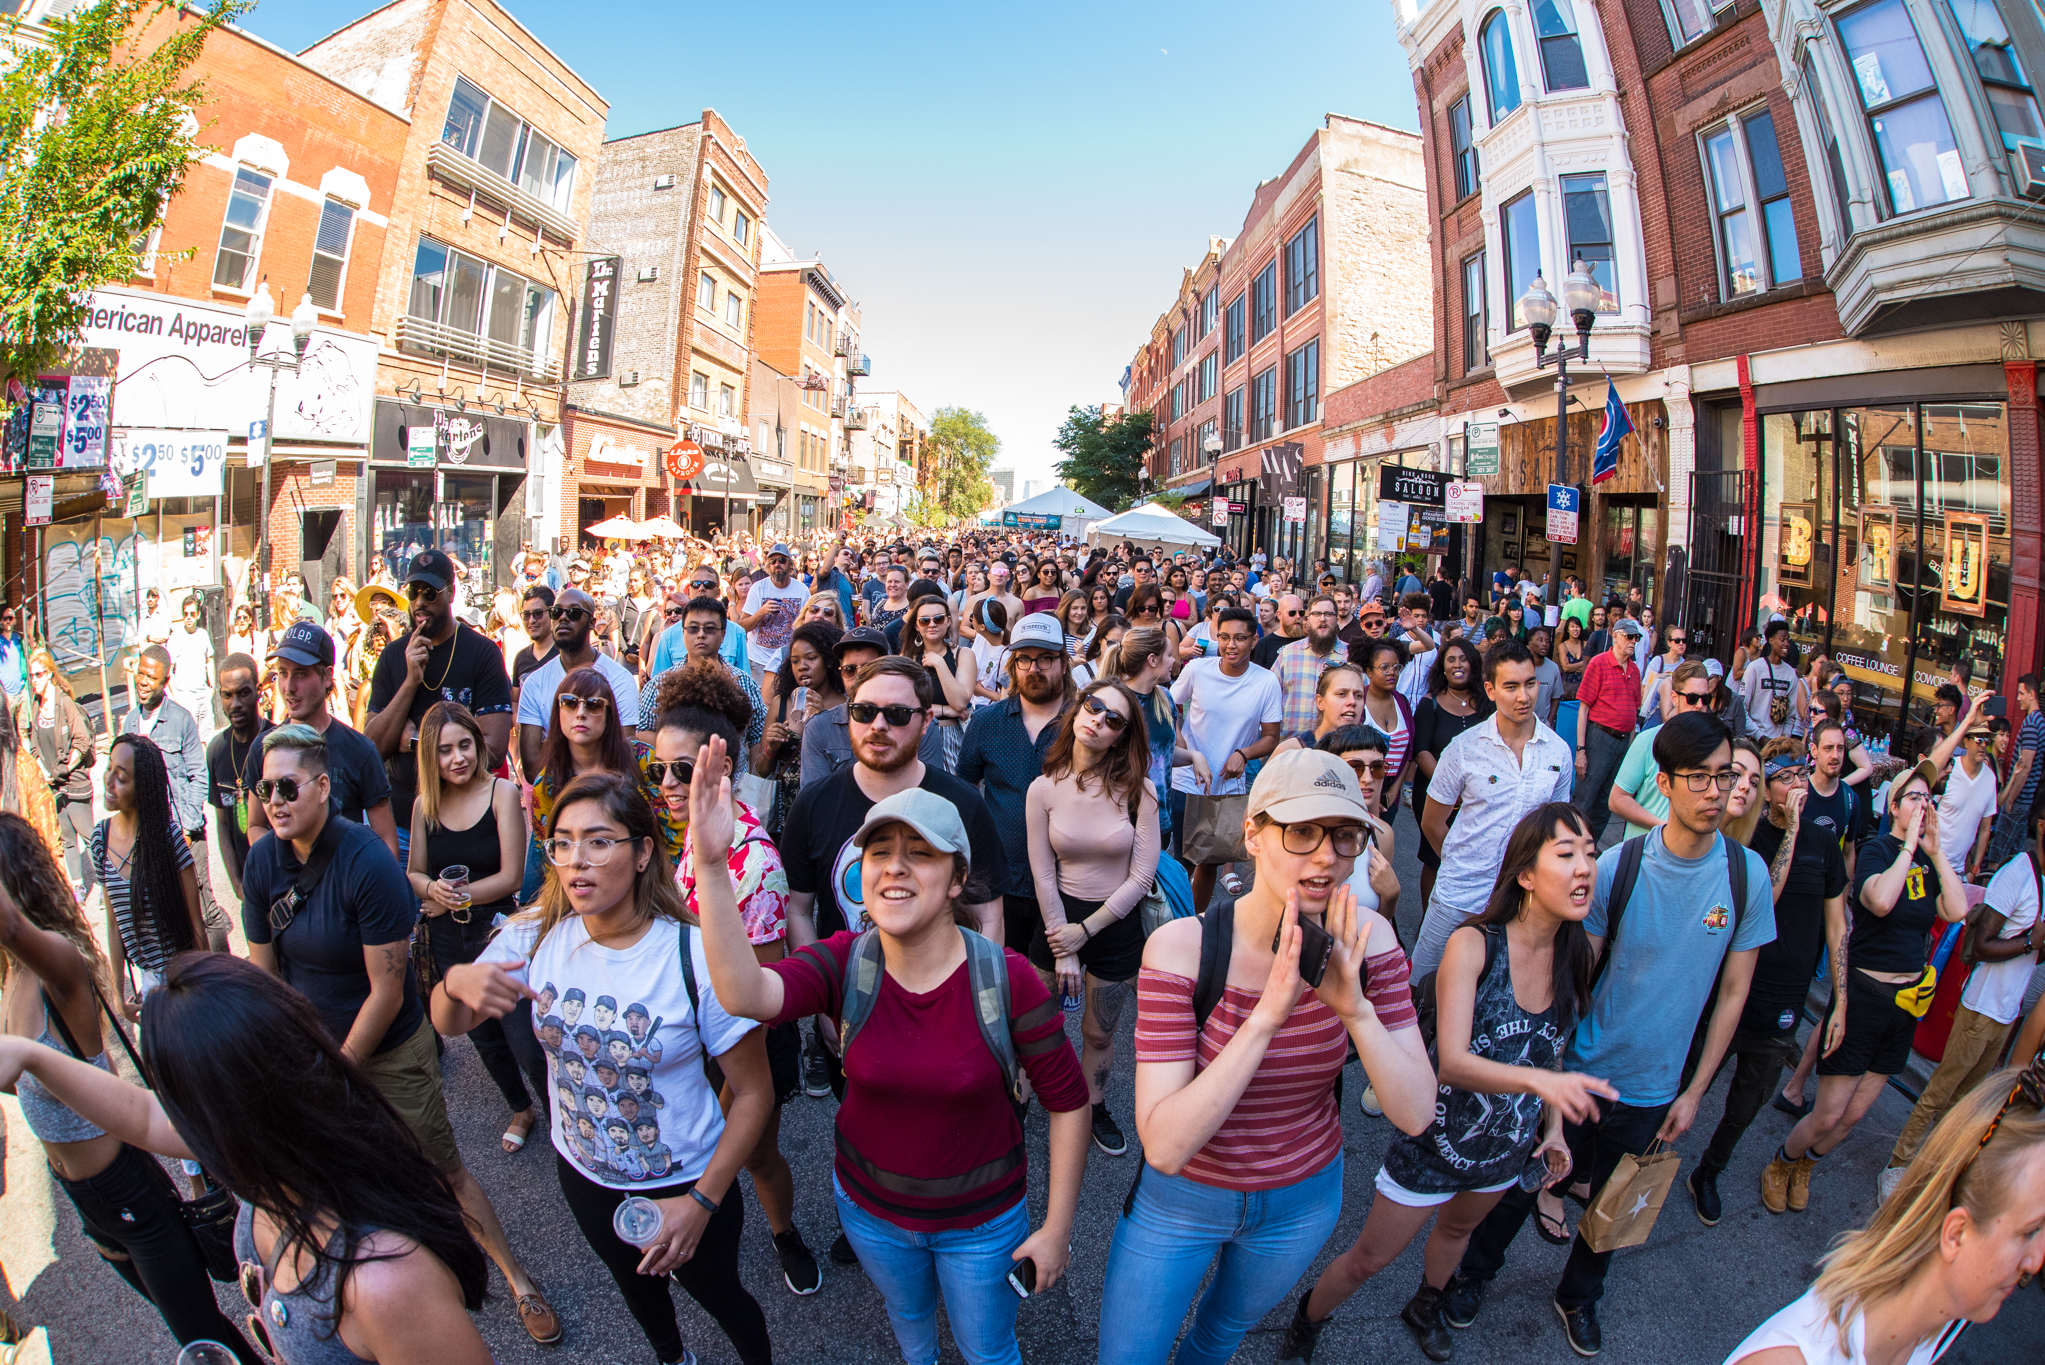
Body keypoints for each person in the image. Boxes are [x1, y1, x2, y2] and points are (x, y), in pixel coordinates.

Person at [701, 773, 1091, 1365]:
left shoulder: (1005, 978)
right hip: (869, 1211)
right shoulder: (841, 962)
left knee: (987, 1350)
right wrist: (710, 864)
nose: (895, 867)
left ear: (958, 877)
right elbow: (743, 993)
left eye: (921, 853)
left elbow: (1067, 1101)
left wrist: (1058, 1227)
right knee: (910, 1324)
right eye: (880, 852)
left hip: (983, 1225)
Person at [1450, 711, 1775, 1356]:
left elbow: (1733, 992)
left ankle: (1580, 1296)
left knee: (1614, 1205)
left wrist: (1695, 1091)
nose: (1715, 792)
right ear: (1665, 782)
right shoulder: (1617, 868)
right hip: (1582, 1070)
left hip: (1657, 1087)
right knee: (1527, 1183)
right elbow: (1574, 978)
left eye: (1725, 777)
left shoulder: (1746, 877)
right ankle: (1473, 1274)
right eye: (1699, 778)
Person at [1096, 749, 1435, 1365]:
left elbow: (1414, 1112)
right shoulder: (1183, 950)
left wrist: (1356, 1010)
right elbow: (1166, 1146)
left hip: (1300, 1199)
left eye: (1343, 835)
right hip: (1182, 1202)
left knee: (1219, 1338)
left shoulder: (1371, 943)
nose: (1326, 856)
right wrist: (1267, 1017)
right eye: (1301, 832)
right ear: (1252, 834)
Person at [0, 951, 495, 1365]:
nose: (172, 1119)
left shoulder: (383, 1282)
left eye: (177, 1100)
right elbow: (139, 1115)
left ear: (221, 1118)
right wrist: (32, 1057)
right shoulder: (272, 1161)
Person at [437, 771, 775, 1365]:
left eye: (598, 841)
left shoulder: (694, 953)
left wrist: (701, 1203)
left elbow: (753, 1094)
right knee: (639, 1294)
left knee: (724, 1299)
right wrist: (457, 981)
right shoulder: (537, 933)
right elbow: (449, 1022)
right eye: (561, 843)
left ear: (643, 852)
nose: (576, 861)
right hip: (585, 1173)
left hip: (685, 1179)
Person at [242, 723, 558, 1342]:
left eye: (287, 786)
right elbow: (266, 976)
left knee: (443, 1172)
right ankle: (373, 1308)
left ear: (324, 786)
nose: (274, 800)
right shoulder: (261, 862)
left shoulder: (365, 861)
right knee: (339, 1187)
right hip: (313, 1061)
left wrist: (339, 1067)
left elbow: (387, 991)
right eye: (264, 788)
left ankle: (518, 1280)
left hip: (384, 1051)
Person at [1281, 803, 1614, 1362]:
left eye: (1590, 854)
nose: (1584, 868)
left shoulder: (1576, 953)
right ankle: (1308, 1320)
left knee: (1456, 1235)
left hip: (1504, 1150)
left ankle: (1426, 1305)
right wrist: (1543, 1089)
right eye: (1566, 855)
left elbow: (1549, 1054)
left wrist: (1552, 1131)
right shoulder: (1476, 944)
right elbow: (1454, 1062)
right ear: (1526, 875)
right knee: (1369, 1257)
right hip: (1433, 1141)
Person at [0, 815, 262, 1361]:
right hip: (83, 1198)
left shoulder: (58, 965)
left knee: (199, 1331)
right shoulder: (12, 978)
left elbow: (16, 932)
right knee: (184, 1329)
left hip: (125, 1190)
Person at [647, 660, 823, 1296]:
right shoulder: (673, 838)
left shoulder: (753, 858)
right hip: (687, 1036)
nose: (667, 783)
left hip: (744, 1039)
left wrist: (722, 1106)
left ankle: (784, 1235)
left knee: (754, 1155)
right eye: (658, 769)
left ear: (722, 767)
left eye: (682, 769)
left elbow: (765, 993)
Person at [786, 656, 1011, 1121]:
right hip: (851, 1007)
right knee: (864, 1127)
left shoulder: (963, 804)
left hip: (948, 1010)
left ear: (927, 722)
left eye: (898, 714)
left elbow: (989, 914)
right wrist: (823, 1005)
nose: (879, 725)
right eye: (865, 711)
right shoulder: (814, 804)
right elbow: (799, 910)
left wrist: (979, 1007)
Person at [1722, 1059, 2045, 1365]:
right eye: (2030, 1230)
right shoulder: (1797, 1357)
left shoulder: (1942, 1321)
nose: (2037, 1260)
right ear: (1955, 1233)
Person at [1762, 758, 1970, 1217]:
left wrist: (1933, 853)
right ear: (1894, 806)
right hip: (1864, 996)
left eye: (1927, 797)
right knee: (1830, 1112)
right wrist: (1908, 845)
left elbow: (1956, 911)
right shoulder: (1878, 849)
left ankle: (1807, 1164)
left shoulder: (1928, 859)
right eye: (1914, 797)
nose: (1923, 803)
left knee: (1854, 1117)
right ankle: (1782, 1163)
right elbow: (1877, 898)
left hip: (1903, 1005)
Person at [1681, 737, 1849, 1227]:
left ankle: (1708, 1172)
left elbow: (1839, 926)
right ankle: (1644, 1156)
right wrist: (1794, 828)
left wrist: (1840, 1001)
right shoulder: (1745, 838)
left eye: (1802, 774)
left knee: (1745, 1106)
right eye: (1786, 777)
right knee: (1690, 1083)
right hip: (1730, 996)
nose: (1798, 784)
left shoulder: (1825, 843)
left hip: (1784, 1004)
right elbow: (1762, 904)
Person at [1027, 678, 1160, 1157]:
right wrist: (1064, 944)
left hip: (1113, 924)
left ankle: (1092, 1106)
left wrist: (1086, 932)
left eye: (1113, 719)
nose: (1098, 719)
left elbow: (1142, 876)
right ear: (1078, 707)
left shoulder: (1138, 790)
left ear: (1121, 735)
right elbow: (1042, 873)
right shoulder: (1043, 789)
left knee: (1100, 1031)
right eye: (1093, 706)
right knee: (1039, 1023)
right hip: (1057, 919)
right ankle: (1027, 1098)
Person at [407, 702, 545, 1156]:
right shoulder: (425, 804)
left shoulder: (502, 793)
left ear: (479, 744)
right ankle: (521, 1108)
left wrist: (455, 897)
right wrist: (432, 889)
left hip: (496, 932)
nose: (458, 758)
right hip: (448, 937)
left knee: (522, 1036)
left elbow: (510, 878)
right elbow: (414, 872)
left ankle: (560, 1111)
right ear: (431, 756)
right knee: (480, 1035)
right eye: (445, 750)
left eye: (465, 745)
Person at [1878, 843, 2041, 1199]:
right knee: (1939, 1092)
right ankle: (1896, 1165)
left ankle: (1930, 1170)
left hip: (2005, 1012)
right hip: (1980, 1006)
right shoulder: (2018, 873)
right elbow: (1980, 945)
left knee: (1964, 1102)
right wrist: (2031, 942)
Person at [1413, 640, 1574, 977]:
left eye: (1529, 684)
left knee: (1496, 989)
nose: (1523, 696)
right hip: (1459, 895)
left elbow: (1555, 830)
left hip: (1520, 901)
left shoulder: (1558, 754)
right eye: (1511, 686)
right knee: (1424, 983)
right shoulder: (1463, 749)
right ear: (1490, 689)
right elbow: (1432, 822)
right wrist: (1462, 863)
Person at [365, 549, 516, 853]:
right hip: (402, 824)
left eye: (430, 593)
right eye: (413, 592)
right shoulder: (394, 656)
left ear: (450, 593)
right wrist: (410, 682)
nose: (420, 602)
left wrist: (414, 740)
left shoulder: (482, 653)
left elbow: (495, 750)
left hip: (464, 822)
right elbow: (372, 747)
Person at [956, 613, 1074, 955]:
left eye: (1045, 659)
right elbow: (965, 793)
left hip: (1066, 883)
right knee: (999, 976)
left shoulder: (1084, 724)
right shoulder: (986, 722)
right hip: (998, 881)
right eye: (1024, 659)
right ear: (1013, 664)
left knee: (1048, 985)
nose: (1034, 668)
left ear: (1063, 664)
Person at [251, 622, 399, 858]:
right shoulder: (264, 748)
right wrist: (280, 867)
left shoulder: (360, 750)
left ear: (328, 676)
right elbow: (255, 825)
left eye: (301, 673)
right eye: (282, 673)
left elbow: (386, 843)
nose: (289, 687)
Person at [1170, 607, 1282, 913]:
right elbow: (1169, 705)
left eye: (1239, 638)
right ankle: (1172, 927)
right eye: (1224, 637)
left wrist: (1244, 754)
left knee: (1210, 861)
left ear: (1254, 640)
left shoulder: (1265, 682)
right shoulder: (1197, 670)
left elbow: (1272, 737)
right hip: (1188, 781)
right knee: (1182, 863)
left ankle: (1196, 925)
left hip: (1229, 787)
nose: (1231, 645)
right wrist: (1183, 745)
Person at [92, 733, 215, 1012]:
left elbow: (196, 924)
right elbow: (114, 924)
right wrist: (117, 994)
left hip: (184, 976)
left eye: (121, 778)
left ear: (143, 788)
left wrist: (207, 988)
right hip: (147, 983)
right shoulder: (100, 838)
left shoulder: (168, 839)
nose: (109, 782)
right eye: (109, 768)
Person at [122, 645, 222, 939]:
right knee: (166, 914)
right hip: (149, 838)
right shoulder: (129, 723)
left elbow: (198, 776)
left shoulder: (181, 720)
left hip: (184, 834)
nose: (142, 681)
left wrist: (188, 831)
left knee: (203, 910)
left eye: (150, 677)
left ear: (165, 682)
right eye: (140, 673)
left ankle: (223, 977)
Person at [517, 586, 642, 777]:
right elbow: (532, 768)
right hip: (554, 796)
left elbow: (622, 755)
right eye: (556, 612)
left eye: (574, 613)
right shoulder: (534, 683)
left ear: (592, 622)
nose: (563, 618)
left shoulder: (619, 679)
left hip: (607, 793)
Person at [800, 626, 947, 786]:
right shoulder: (818, 728)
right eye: (850, 670)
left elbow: (928, 791)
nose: (858, 678)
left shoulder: (917, 722)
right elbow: (815, 800)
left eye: (868, 669)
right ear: (841, 671)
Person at [1410, 638, 1494, 916]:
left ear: (1473, 663)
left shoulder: (1487, 704)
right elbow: (1421, 751)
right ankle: (1430, 918)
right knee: (1435, 857)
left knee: (1474, 854)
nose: (1457, 664)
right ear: (1442, 668)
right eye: (1450, 659)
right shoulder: (1430, 704)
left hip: (1479, 794)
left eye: (1463, 659)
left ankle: (1468, 916)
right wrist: (1452, 787)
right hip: (1437, 794)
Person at [1608, 659, 1721, 839]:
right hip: (1646, 850)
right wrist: (1664, 826)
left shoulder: (1715, 747)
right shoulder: (1647, 741)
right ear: (1674, 698)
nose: (1700, 705)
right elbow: (1617, 799)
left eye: (1705, 699)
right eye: (1692, 698)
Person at [28, 649, 97, 898]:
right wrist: (44, 770)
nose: (34, 680)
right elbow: (34, 744)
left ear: (49, 675)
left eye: (38, 675)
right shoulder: (36, 706)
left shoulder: (64, 703)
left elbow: (82, 741)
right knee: (67, 838)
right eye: (31, 676)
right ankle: (78, 887)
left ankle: (103, 883)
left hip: (74, 781)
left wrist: (65, 768)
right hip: (54, 785)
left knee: (88, 834)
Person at [206, 654, 274, 901]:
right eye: (227, 695)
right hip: (249, 887)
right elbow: (222, 824)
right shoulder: (216, 750)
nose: (234, 703)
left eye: (243, 693)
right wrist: (236, 884)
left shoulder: (278, 743)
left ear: (258, 691)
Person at [1572, 616, 1644, 841]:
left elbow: (1633, 711)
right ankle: (1572, 842)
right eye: (1629, 636)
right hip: (1599, 738)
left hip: (1622, 743)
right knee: (1586, 798)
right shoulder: (1599, 663)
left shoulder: (1634, 670)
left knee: (1606, 801)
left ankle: (1591, 846)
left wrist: (1631, 750)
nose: (1633, 641)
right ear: (1615, 636)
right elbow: (1583, 708)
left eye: (1636, 638)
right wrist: (1581, 750)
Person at [903, 594, 973, 771]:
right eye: (925, 620)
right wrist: (945, 710)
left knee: (955, 795)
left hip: (953, 738)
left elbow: (959, 702)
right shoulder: (907, 659)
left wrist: (939, 663)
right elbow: (905, 706)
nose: (932, 624)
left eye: (938, 619)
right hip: (917, 737)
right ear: (917, 625)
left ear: (949, 621)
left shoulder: (963, 655)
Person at [1271, 594, 1349, 739]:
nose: (1323, 619)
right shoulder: (1289, 653)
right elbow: (1270, 695)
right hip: (1291, 746)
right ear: (1308, 619)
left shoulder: (1350, 656)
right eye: (1317, 614)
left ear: (1336, 619)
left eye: (1328, 614)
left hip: (1336, 747)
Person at [1934, 716, 2000, 883]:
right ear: (1966, 742)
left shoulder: (1990, 779)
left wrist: (1974, 869)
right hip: (1931, 860)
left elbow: (1985, 829)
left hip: (1958, 871)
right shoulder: (1949, 769)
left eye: (1986, 740)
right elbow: (1930, 808)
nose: (1983, 745)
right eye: (1978, 739)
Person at [738, 543, 810, 689]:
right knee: (763, 705)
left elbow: (808, 625)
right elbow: (742, 626)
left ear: (790, 564)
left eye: (782, 560)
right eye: (773, 561)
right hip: (760, 660)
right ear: (768, 565)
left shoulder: (801, 590)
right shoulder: (758, 588)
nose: (777, 564)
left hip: (789, 660)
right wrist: (761, 612)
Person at [1743, 621, 1808, 742]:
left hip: (1778, 745)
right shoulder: (1755, 668)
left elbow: (1791, 715)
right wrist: (1760, 737)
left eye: (1788, 640)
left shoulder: (1791, 674)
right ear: (1771, 640)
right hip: (1754, 741)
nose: (1786, 644)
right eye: (1782, 639)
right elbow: (1743, 707)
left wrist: (1784, 738)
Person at [165, 594, 215, 729]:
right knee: (189, 739)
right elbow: (169, 669)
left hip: (204, 696)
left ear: (198, 614)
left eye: (192, 614)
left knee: (207, 737)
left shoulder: (203, 635)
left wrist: (212, 688)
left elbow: (209, 660)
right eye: (185, 613)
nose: (188, 617)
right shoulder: (175, 638)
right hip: (185, 697)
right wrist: (176, 696)